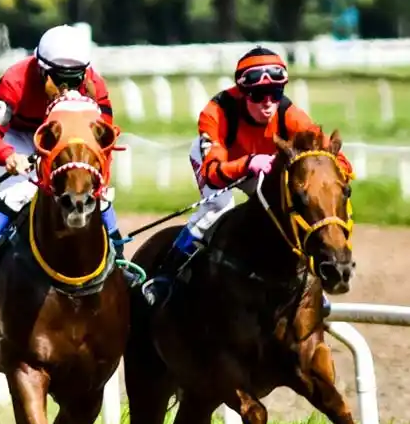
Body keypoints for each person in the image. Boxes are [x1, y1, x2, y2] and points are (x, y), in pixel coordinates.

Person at [139, 46, 354, 314]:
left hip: (264, 165)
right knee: (217, 208)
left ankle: (308, 287)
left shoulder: (291, 115)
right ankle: (166, 276)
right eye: (258, 95)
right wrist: (248, 163)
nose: (268, 103)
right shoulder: (215, 113)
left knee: (286, 211)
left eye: (275, 93)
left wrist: (334, 174)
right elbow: (213, 173)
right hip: (221, 163)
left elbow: (335, 160)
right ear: (243, 93)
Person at [0, 24, 132, 299]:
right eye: (59, 79)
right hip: (20, 135)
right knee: (17, 192)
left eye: (74, 79)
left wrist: (97, 175)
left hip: (65, 139)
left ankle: (118, 258)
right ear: (41, 70)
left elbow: (102, 138)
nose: (67, 87)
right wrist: (8, 156)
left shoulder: (95, 83)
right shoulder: (15, 80)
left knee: (98, 195)